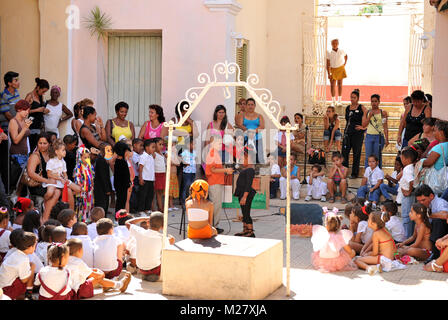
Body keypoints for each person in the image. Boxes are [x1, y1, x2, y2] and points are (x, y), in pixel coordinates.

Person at [66, 238, 131, 299]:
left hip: (70, 290)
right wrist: (101, 273)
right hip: (79, 291)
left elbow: (84, 270)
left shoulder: (65, 260)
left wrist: (93, 270)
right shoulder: (78, 262)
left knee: (91, 277)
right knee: (98, 278)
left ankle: (111, 285)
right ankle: (120, 285)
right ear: (80, 251)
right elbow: (96, 275)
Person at [125, 212, 174, 281]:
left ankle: (146, 274)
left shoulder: (140, 232)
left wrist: (144, 218)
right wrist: (171, 241)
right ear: (163, 227)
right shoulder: (163, 239)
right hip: (155, 269)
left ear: (148, 223)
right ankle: (155, 275)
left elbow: (127, 223)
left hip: (141, 268)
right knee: (168, 255)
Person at [27, 133, 62, 223]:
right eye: (40, 143)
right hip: (38, 185)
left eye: (44, 143)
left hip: (49, 184)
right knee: (56, 191)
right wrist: (46, 180)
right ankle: (45, 217)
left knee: (63, 190)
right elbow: (31, 173)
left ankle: (47, 210)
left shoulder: (50, 155)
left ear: (49, 144)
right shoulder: (35, 156)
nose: (42, 145)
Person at [205, 134, 233, 233]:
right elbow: (213, 169)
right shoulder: (212, 153)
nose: (221, 145)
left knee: (217, 205)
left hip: (217, 181)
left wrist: (225, 170)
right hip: (214, 182)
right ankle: (212, 226)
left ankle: (214, 225)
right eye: (219, 143)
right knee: (215, 205)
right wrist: (225, 170)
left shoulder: (215, 153)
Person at [0, 231, 37, 300]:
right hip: (6, 289)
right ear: (30, 247)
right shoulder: (23, 259)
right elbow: (24, 280)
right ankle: (27, 296)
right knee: (31, 269)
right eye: (35, 245)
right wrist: (32, 269)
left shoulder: (15, 253)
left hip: (2, 285)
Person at [0, 71, 21, 192]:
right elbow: (7, 114)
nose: (18, 82)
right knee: (7, 159)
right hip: (7, 130)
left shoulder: (17, 93)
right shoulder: (4, 95)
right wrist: (18, 123)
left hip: (17, 128)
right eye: (15, 80)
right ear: (9, 83)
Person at [415, 184, 448, 259]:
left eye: (423, 200)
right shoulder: (425, 205)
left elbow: (446, 215)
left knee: (438, 221)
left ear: (431, 196)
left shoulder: (440, 203)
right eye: (419, 201)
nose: (421, 203)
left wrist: (428, 215)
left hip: (444, 232)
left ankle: (435, 253)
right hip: (434, 234)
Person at [45, 139, 78, 210]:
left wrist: (65, 178)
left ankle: (64, 198)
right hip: (53, 180)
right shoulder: (51, 161)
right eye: (63, 150)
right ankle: (45, 202)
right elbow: (49, 174)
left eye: (65, 150)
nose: (65, 152)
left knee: (78, 189)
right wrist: (60, 178)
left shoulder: (63, 161)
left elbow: (65, 173)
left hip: (61, 180)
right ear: (56, 152)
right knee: (50, 193)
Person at [342, 89, 368, 179]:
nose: (352, 99)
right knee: (345, 153)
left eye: (354, 97)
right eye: (351, 97)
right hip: (348, 133)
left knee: (356, 153)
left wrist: (363, 128)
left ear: (358, 98)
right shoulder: (347, 108)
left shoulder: (361, 107)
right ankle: (344, 172)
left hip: (358, 134)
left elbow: (368, 117)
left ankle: (354, 173)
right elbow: (347, 120)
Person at [234, 147, 257, 237]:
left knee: (246, 212)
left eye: (243, 158)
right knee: (244, 212)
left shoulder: (250, 170)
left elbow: (248, 184)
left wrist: (244, 197)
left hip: (246, 194)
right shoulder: (246, 169)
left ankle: (250, 231)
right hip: (242, 193)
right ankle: (245, 229)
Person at [420, 120, 448, 195]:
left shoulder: (439, 147)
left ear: (441, 132)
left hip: (436, 179)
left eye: (435, 131)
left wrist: (420, 162)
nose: (433, 133)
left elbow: (429, 162)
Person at [235, 98, 266, 164]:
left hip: (257, 139)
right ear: (246, 106)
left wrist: (253, 131)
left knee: (258, 157)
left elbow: (262, 126)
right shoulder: (242, 115)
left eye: (252, 104)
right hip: (246, 138)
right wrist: (248, 131)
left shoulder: (259, 116)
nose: (250, 106)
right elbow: (240, 125)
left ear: (255, 106)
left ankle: (257, 172)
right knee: (245, 157)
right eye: (248, 104)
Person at [362, 94, 389, 169]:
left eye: (376, 101)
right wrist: (369, 117)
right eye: (372, 101)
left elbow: (385, 126)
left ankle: (377, 175)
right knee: (368, 156)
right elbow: (364, 125)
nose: (374, 103)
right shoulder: (367, 112)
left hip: (379, 137)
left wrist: (387, 138)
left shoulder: (383, 113)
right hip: (369, 136)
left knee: (377, 156)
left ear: (379, 102)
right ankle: (368, 175)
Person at [398, 147, 419, 238]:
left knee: (407, 216)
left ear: (407, 159)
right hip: (410, 195)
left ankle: (407, 238)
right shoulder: (412, 167)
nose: (401, 160)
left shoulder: (407, 169)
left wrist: (409, 191)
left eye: (402, 158)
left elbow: (411, 181)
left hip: (408, 196)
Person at [24, 78, 50, 152]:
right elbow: (23, 111)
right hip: (31, 125)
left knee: (38, 149)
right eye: (43, 91)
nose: (44, 93)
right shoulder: (30, 96)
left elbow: (40, 109)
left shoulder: (40, 96)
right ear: (38, 87)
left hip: (39, 126)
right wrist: (37, 110)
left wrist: (44, 111)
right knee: (32, 147)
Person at [9, 99, 32, 169]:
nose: (27, 113)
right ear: (19, 109)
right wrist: (25, 128)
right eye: (25, 110)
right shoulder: (13, 121)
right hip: (17, 154)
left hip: (26, 153)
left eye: (28, 111)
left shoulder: (24, 120)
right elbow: (15, 140)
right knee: (19, 178)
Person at [73, 146, 94, 222]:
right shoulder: (78, 168)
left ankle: (88, 219)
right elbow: (77, 178)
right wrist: (81, 186)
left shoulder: (90, 166)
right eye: (85, 157)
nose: (87, 159)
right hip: (82, 191)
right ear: (79, 157)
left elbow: (92, 176)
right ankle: (81, 220)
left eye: (88, 157)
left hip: (89, 190)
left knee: (89, 204)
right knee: (81, 205)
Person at [326, 39, 347, 107]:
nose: (334, 45)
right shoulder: (329, 53)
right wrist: (328, 73)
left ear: (338, 44)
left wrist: (344, 64)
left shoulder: (341, 51)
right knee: (332, 85)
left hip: (340, 68)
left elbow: (346, 56)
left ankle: (339, 100)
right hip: (333, 69)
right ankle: (333, 101)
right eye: (333, 43)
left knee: (340, 84)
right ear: (331, 44)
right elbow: (328, 63)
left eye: (336, 43)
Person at [93, 143, 113, 215]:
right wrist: (107, 189)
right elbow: (103, 176)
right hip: (101, 188)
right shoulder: (101, 160)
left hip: (103, 187)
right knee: (102, 205)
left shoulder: (103, 160)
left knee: (105, 204)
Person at [113, 141, 132, 212]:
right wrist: (128, 183)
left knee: (121, 201)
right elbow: (124, 176)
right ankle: (118, 217)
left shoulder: (120, 162)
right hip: (121, 186)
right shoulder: (121, 162)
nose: (127, 153)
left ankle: (119, 216)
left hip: (121, 186)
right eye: (126, 151)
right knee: (121, 202)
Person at [138, 139, 155, 215]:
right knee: (143, 195)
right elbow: (140, 167)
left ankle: (147, 209)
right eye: (153, 147)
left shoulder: (151, 156)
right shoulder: (143, 156)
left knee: (150, 195)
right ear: (147, 147)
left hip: (150, 179)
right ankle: (141, 210)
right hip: (145, 179)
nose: (154, 149)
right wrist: (140, 178)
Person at [180, 139, 197, 204]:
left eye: (195, 144)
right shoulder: (185, 152)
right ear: (188, 145)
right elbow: (179, 157)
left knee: (191, 186)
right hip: (187, 172)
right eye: (193, 144)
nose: (194, 146)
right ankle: (183, 201)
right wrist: (184, 163)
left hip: (193, 171)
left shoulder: (195, 152)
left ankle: (190, 200)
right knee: (185, 186)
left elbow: (195, 158)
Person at [153, 137, 166, 212]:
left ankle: (160, 206)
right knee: (157, 192)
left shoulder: (161, 154)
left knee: (161, 192)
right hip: (157, 174)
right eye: (159, 144)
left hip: (162, 174)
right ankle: (159, 208)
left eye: (162, 144)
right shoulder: (154, 154)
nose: (161, 146)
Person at [168, 137, 181, 211]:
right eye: (173, 144)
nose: (174, 146)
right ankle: (169, 205)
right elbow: (172, 163)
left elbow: (178, 163)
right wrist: (175, 162)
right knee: (169, 191)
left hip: (174, 174)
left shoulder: (174, 154)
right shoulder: (167, 153)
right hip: (170, 175)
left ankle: (172, 205)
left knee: (173, 191)